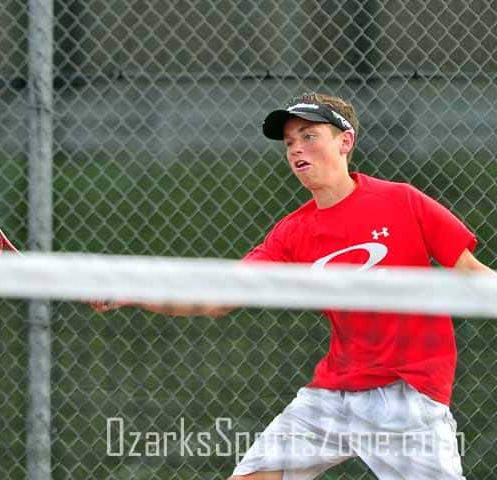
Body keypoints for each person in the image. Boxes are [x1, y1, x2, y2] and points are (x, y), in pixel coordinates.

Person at [91, 92, 494, 479]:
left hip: (409, 396)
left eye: (309, 136)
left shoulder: (403, 201)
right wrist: (132, 293)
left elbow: (472, 272)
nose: (296, 149)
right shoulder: (291, 235)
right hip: (334, 395)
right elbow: (218, 299)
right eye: (289, 143)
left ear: (345, 142)